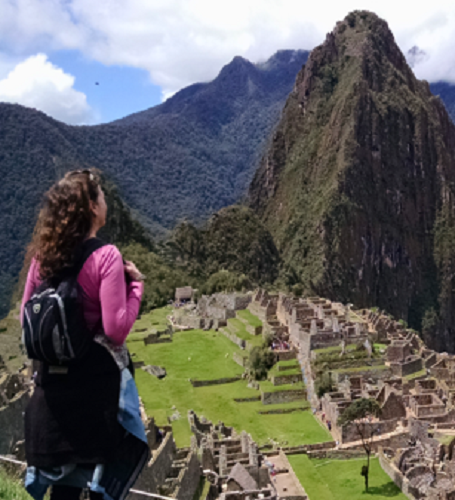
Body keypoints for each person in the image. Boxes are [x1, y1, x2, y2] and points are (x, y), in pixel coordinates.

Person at [21, 169, 149, 500]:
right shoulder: (106, 257)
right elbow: (116, 330)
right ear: (93, 207)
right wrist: (136, 288)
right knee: (97, 487)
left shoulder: (41, 259)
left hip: (50, 397)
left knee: (62, 492)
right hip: (94, 399)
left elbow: (26, 317)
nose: (106, 200)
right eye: (102, 195)